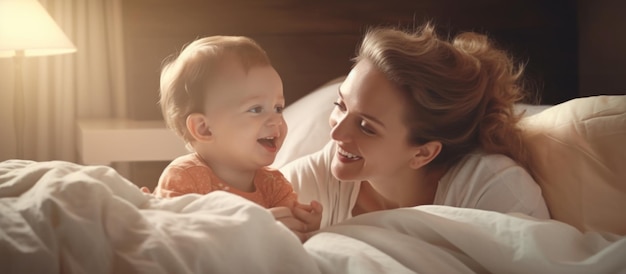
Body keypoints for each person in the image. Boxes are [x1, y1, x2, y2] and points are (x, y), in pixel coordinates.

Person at [274, 23, 550, 235]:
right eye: (341, 105)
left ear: (423, 153)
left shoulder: (493, 190)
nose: (336, 134)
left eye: (366, 127)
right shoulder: (323, 174)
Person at [147, 36, 322, 233]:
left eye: (278, 108)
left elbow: (291, 234)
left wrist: (305, 223)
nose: (276, 120)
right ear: (204, 128)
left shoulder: (274, 185)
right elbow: (176, 238)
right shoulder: (186, 177)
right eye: (256, 109)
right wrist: (249, 229)